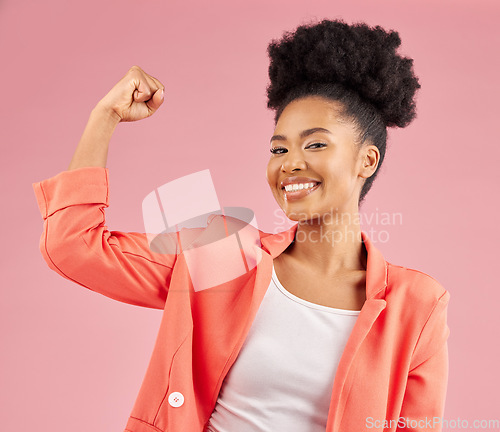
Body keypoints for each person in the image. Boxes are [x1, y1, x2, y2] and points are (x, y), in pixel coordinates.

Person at [32, 18, 450, 432]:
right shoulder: (222, 254)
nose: (290, 163)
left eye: (316, 144)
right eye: (278, 147)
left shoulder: (416, 305)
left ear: (367, 161)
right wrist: (104, 117)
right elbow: (74, 247)